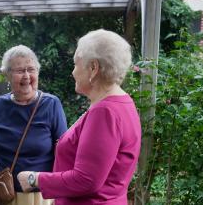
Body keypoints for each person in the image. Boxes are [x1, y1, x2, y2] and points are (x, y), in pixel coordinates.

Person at [17, 29, 141, 205]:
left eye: (76, 64)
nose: (73, 72)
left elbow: (86, 179)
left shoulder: (105, 112)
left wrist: (34, 179)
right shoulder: (122, 102)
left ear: (93, 68)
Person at [0, 45, 68, 205]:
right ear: (7, 75)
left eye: (31, 69)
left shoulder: (51, 105)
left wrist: (60, 193)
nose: (27, 76)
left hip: (41, 197)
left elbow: (63, 152)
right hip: (5, 193)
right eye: (19, 71)